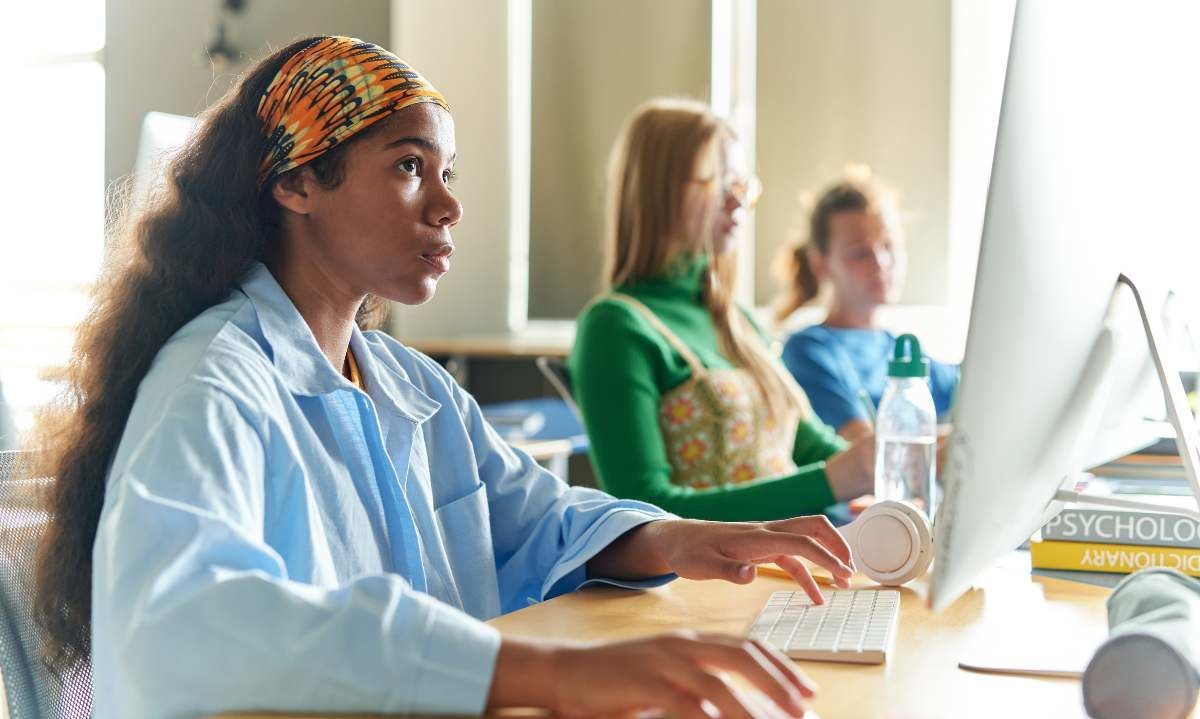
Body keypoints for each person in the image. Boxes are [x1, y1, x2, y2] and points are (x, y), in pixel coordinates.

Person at [31, 37, 857, 719]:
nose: (448, 205)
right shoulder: (213, 384)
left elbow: (535, 519)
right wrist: (546, 675)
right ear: (295, 183)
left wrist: (675, 535)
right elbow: (191, 620)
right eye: (407, 167)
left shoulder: (403, 380)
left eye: (446, 172)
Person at [568, 98, 875, 522]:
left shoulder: (736, 320)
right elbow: (647, 511)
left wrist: (876, 469)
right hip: (715, 582)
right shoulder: (616, 326)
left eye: (742, 187)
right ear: (661, 188)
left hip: (799, 559)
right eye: (720, 184)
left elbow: (811, 448)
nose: (736, 203)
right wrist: (833, 481)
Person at [775, 170, 959, 442]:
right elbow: (864, 450)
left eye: (889, 245)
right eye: (860, 253)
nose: (881, 263)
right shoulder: (807, 351)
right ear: (820, 265)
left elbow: (975, 392)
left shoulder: (903, 349)